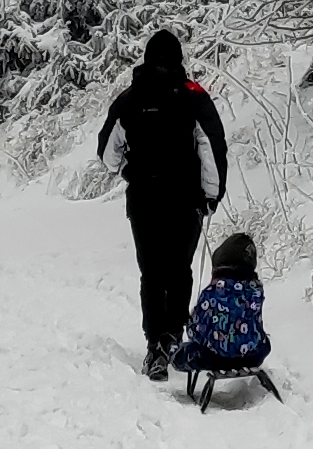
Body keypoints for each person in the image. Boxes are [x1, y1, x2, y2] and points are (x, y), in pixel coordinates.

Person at [95, 28, 229, 378]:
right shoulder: (192, 96)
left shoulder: (129, 98)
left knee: (152, 273)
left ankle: (154, 344)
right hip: (185, 199)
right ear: (179, 58)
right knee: (179, 269)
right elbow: (211, 146)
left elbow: (107, 154)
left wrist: (128, 168)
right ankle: (172, 336)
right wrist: (212, 194)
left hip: (143, 199)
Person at [172, 232, 274, 402]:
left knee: (180, 354)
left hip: (216, 359)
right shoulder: (255, 291)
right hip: (252, 356)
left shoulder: (213, 293)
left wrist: (191, 325)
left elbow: (197, 330)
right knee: (264, 342)